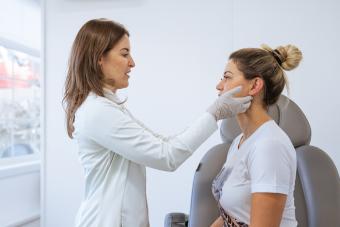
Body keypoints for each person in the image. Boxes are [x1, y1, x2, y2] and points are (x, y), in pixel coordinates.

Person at [63, 18, 252, 227]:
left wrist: (212, 114)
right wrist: (214, 113)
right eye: (124, 54)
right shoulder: (98, 111)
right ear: (99, 58)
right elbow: (167, 156)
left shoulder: (108, 107)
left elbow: (163, 143)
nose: (132, 62)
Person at [210, 44, 302, 227]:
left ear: (254, 85)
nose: (218, 86)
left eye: (227, 77)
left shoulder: (270, 146)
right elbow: (233, 214)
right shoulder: (240, 141)